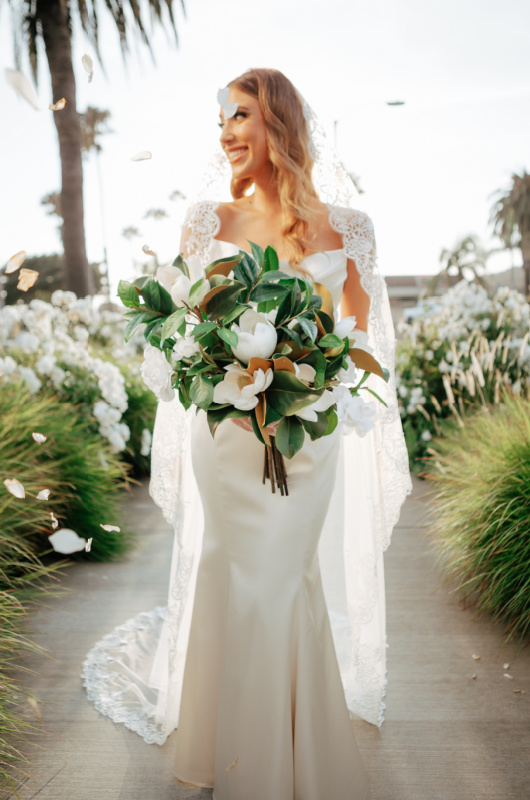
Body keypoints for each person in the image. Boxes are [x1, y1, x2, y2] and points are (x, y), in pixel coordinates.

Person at [81, 68, 412, 800]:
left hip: (305, 437)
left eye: (240, 116)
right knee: (231, 573)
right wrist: (218, 357)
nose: (227, 133)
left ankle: (279, 759)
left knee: (284, 579)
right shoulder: (208, 224)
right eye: (221, 121)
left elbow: (361, 340)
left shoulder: (351, 228)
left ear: (279, 124)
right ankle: (233, 753)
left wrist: (309, 365)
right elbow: (187, 331)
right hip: (225, 434)